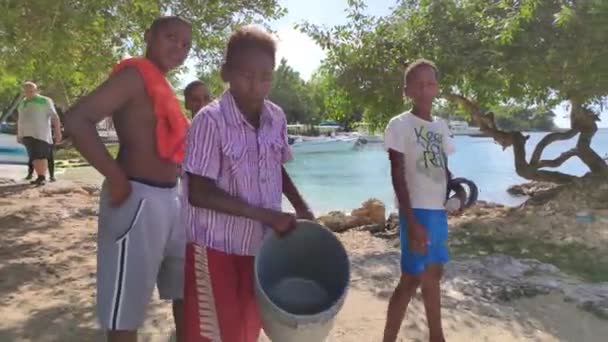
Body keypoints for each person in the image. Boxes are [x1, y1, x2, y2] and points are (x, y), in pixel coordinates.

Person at [182, 25, 314, 342]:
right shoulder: (209, 121)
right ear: (226, 72)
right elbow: (199, 193)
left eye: (266, 76)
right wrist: (268, 215)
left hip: (261, 249)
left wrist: (301, 206)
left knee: (246, 328)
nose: (256, 85)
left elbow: (275, 167)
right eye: (246, 75)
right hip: (215, 246)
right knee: (214, 332)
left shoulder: (276, 117)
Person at [64, 16, 192, 342]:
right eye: (171, 37)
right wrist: (117, 179)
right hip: (137, 200)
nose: (179, 47)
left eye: (186, 44)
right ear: (148, 35)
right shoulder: (135, 75)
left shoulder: (161, 86)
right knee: (125, 310)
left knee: (185, 292)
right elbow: (78, 120)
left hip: (172, 199)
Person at [382, 59, 461, 342]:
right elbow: (397, 175)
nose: (425, 89)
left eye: (430, 83)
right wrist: (411, 221)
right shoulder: (399, 125)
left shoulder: (441, 126)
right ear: (407, 91)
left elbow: (442, 168)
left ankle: (436, 337)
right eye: (418, 84)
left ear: (437, 88)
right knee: (411, 279)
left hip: (437, 212)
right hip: (415, 212)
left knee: (434, 275)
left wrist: (458, 193)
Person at [17, 82, 62, 186]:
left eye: (31, 91)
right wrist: (19, 134)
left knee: (41, 156)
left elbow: (54, 117)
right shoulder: (22, 103)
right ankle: (39, 176)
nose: (29, 93)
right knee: (34, 156)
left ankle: (43, 177)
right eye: (26, 91)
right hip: (26, 134)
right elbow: (20, 120)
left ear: (36, 90)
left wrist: (57, 131)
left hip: (41, 134)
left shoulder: (45, 101)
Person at [26, 105, 62, 182]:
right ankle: (30, 174)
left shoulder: (52, 115)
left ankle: (51, 176)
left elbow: (57, 124)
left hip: (48, 138)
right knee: (33, 156)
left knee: (49, 157)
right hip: (37, 137)